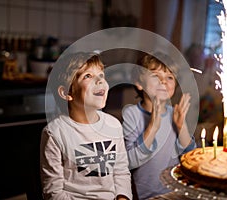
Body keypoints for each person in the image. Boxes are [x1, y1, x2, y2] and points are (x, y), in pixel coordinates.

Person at [40, 52, 132, 200]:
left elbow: (121, 172)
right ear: (66, 92)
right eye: (88, 76)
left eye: (101, 75)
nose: (100, 81)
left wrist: (122, 197)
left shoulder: (113, 125)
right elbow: (53, 192)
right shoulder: (54, 133)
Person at [122, 53, 196, 199]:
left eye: (170, 77)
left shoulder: (175, 114)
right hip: (146, 196)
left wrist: (182, 127)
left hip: (175, 192)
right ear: (139, 83)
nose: (164, 81)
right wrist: (153, 126)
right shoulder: (132, 114)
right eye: (156, 76)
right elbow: (129, 162)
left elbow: (191, 157)